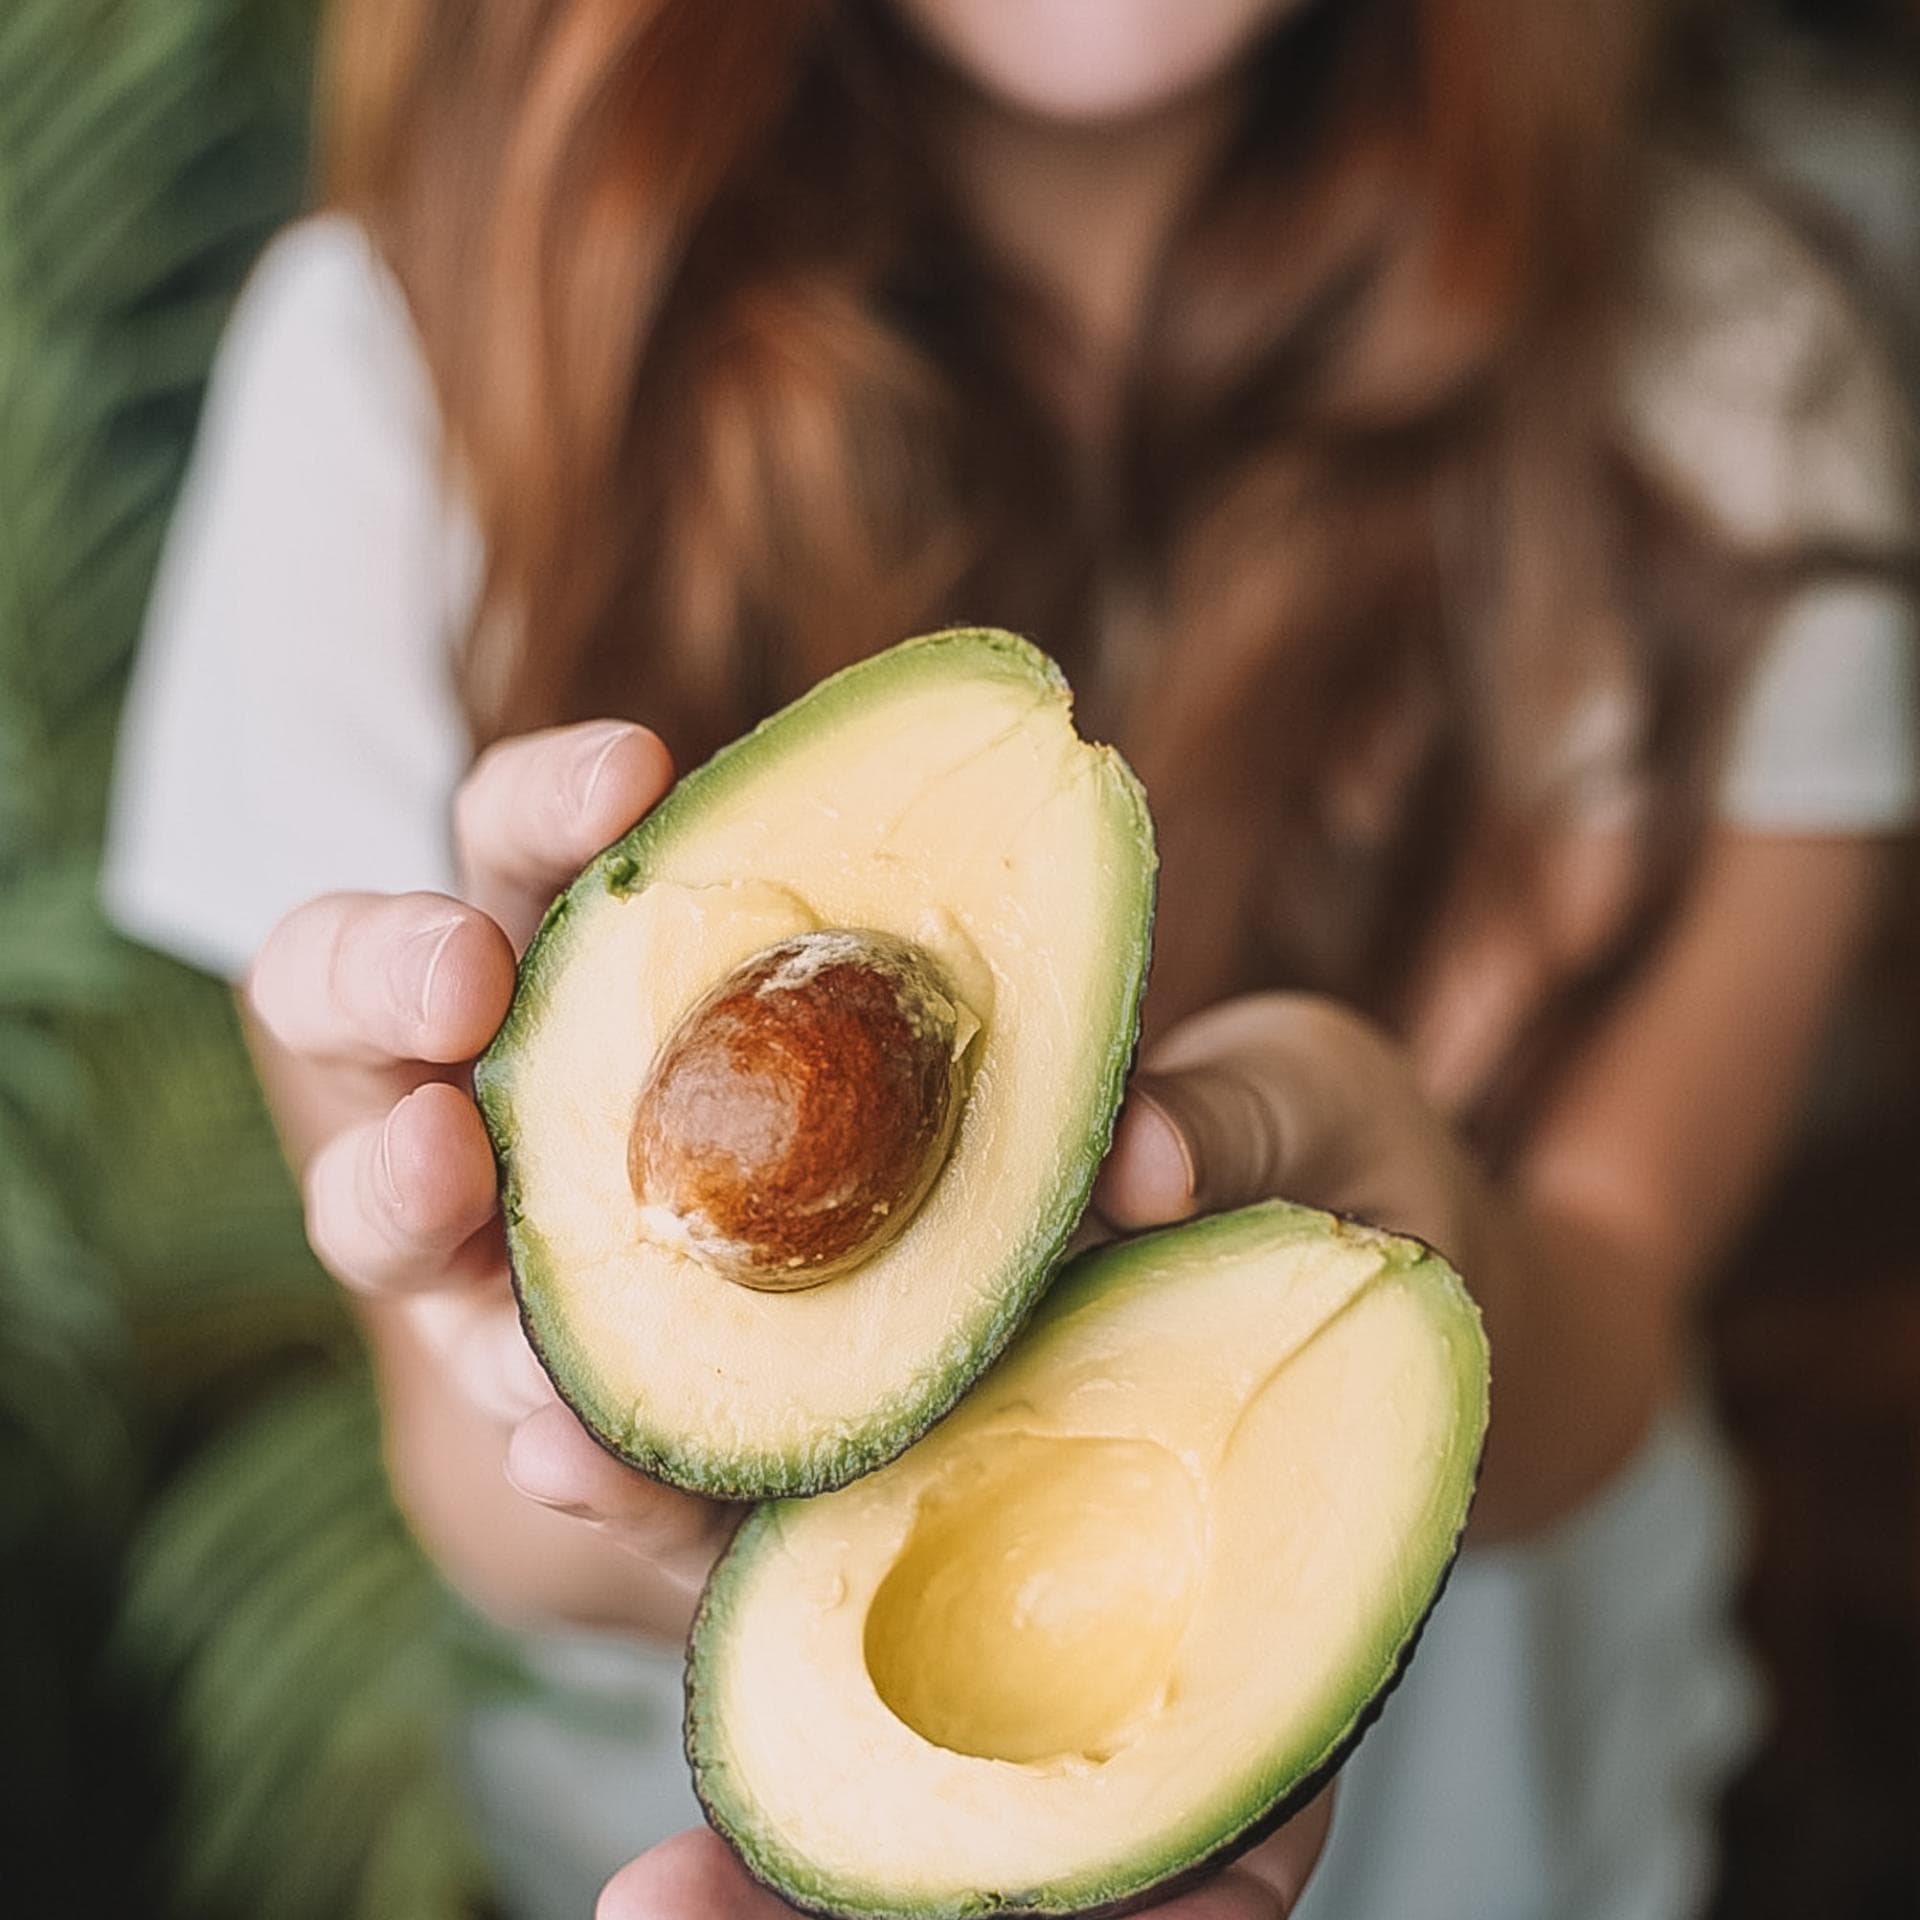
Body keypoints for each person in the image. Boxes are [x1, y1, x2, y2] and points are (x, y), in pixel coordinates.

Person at [102, 1, 1917, 1915]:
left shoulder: (1741, 395)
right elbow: (481, 1502)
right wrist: (588, 1423)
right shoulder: (406, 369)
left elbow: (1612, 1330)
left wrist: (1439, 1241)